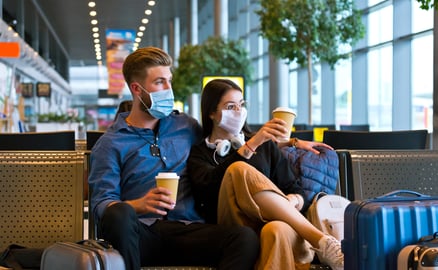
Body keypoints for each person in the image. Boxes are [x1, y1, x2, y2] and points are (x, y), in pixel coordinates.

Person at [88, 47, 259, 270]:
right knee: (119, 213)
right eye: (160, 82)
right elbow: (101, 204)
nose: (169, 89)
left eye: (169, 81)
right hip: (142, 234)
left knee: (244, 238)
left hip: (188, 230)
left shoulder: (186, 126)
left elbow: (228, 137)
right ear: (137, 89)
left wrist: (292, 142)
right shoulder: (111, 143)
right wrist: (138, 205)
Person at [187, 79, 344, 270]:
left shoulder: (266, 146)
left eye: (241, 104)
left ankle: (325, 245)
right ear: (211, 112)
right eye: (230, 106)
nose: (238, 111)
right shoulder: (200, 152)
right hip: (232, 227)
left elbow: (296, 190)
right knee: (237, 169)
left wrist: (293, 201)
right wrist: (251, 145)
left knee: (276, 230)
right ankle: (319, 239)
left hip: (275, 222)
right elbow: (206, 191)